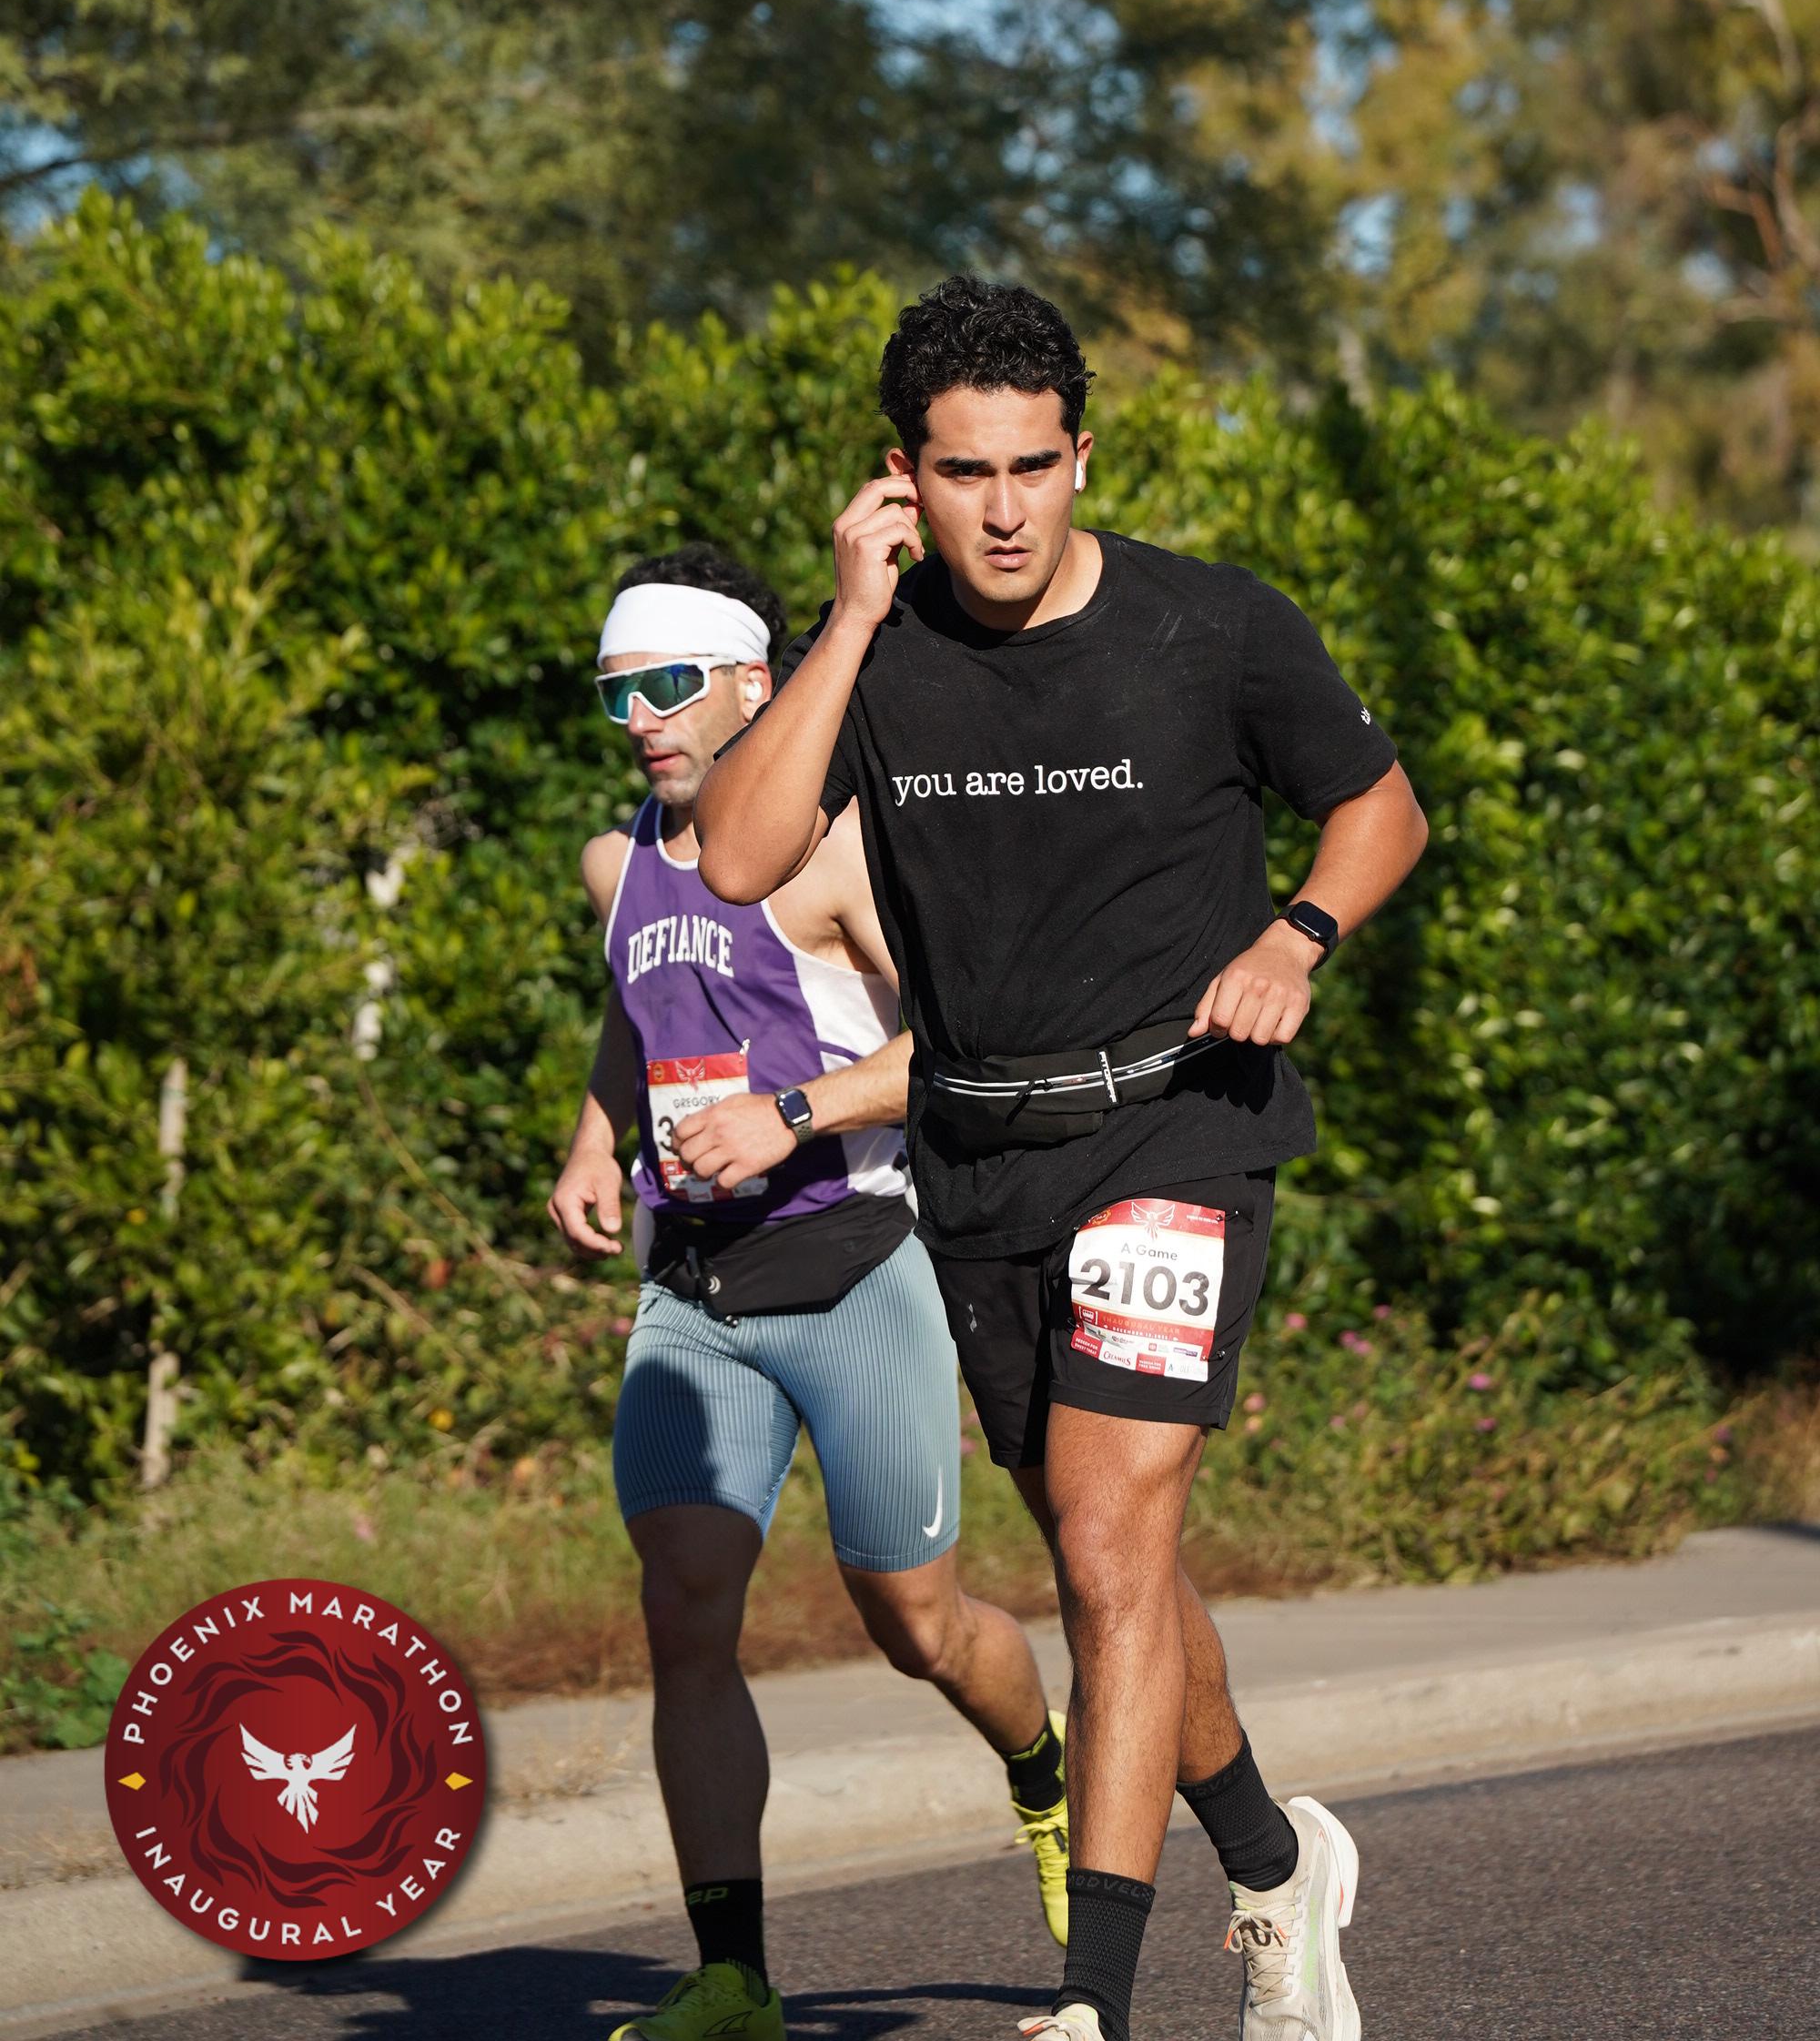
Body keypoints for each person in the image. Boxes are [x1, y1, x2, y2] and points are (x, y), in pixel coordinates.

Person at [697, 283, 1430, 2041]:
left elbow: (1383, 805)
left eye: (1036, 466)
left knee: (1107, 1545)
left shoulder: (1212, 625)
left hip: (1181, 1121)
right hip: (979, 1159)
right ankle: (1276, 1863)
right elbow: (733, 858)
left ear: (1081, 456)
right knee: (1126, 1572)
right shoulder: (873, 655)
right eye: (966, 474)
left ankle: (1091, 2000)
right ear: (903, 480)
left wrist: (1300, 937)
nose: (1008, 509)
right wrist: (848, 622)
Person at [549, 543, 1073, 2041]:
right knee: (685, 1613)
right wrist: (592, 1138)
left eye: (667, 686)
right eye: (616, 693)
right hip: (693, 1297)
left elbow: (966, 1045)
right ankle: (733, 1979)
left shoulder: (838, 855)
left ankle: (1043, 1774)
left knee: (915, 1623)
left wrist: (790, 1115)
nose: (641, 720)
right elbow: (638, 1015)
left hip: (850, 1270)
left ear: (750, 686)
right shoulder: (614, 865)